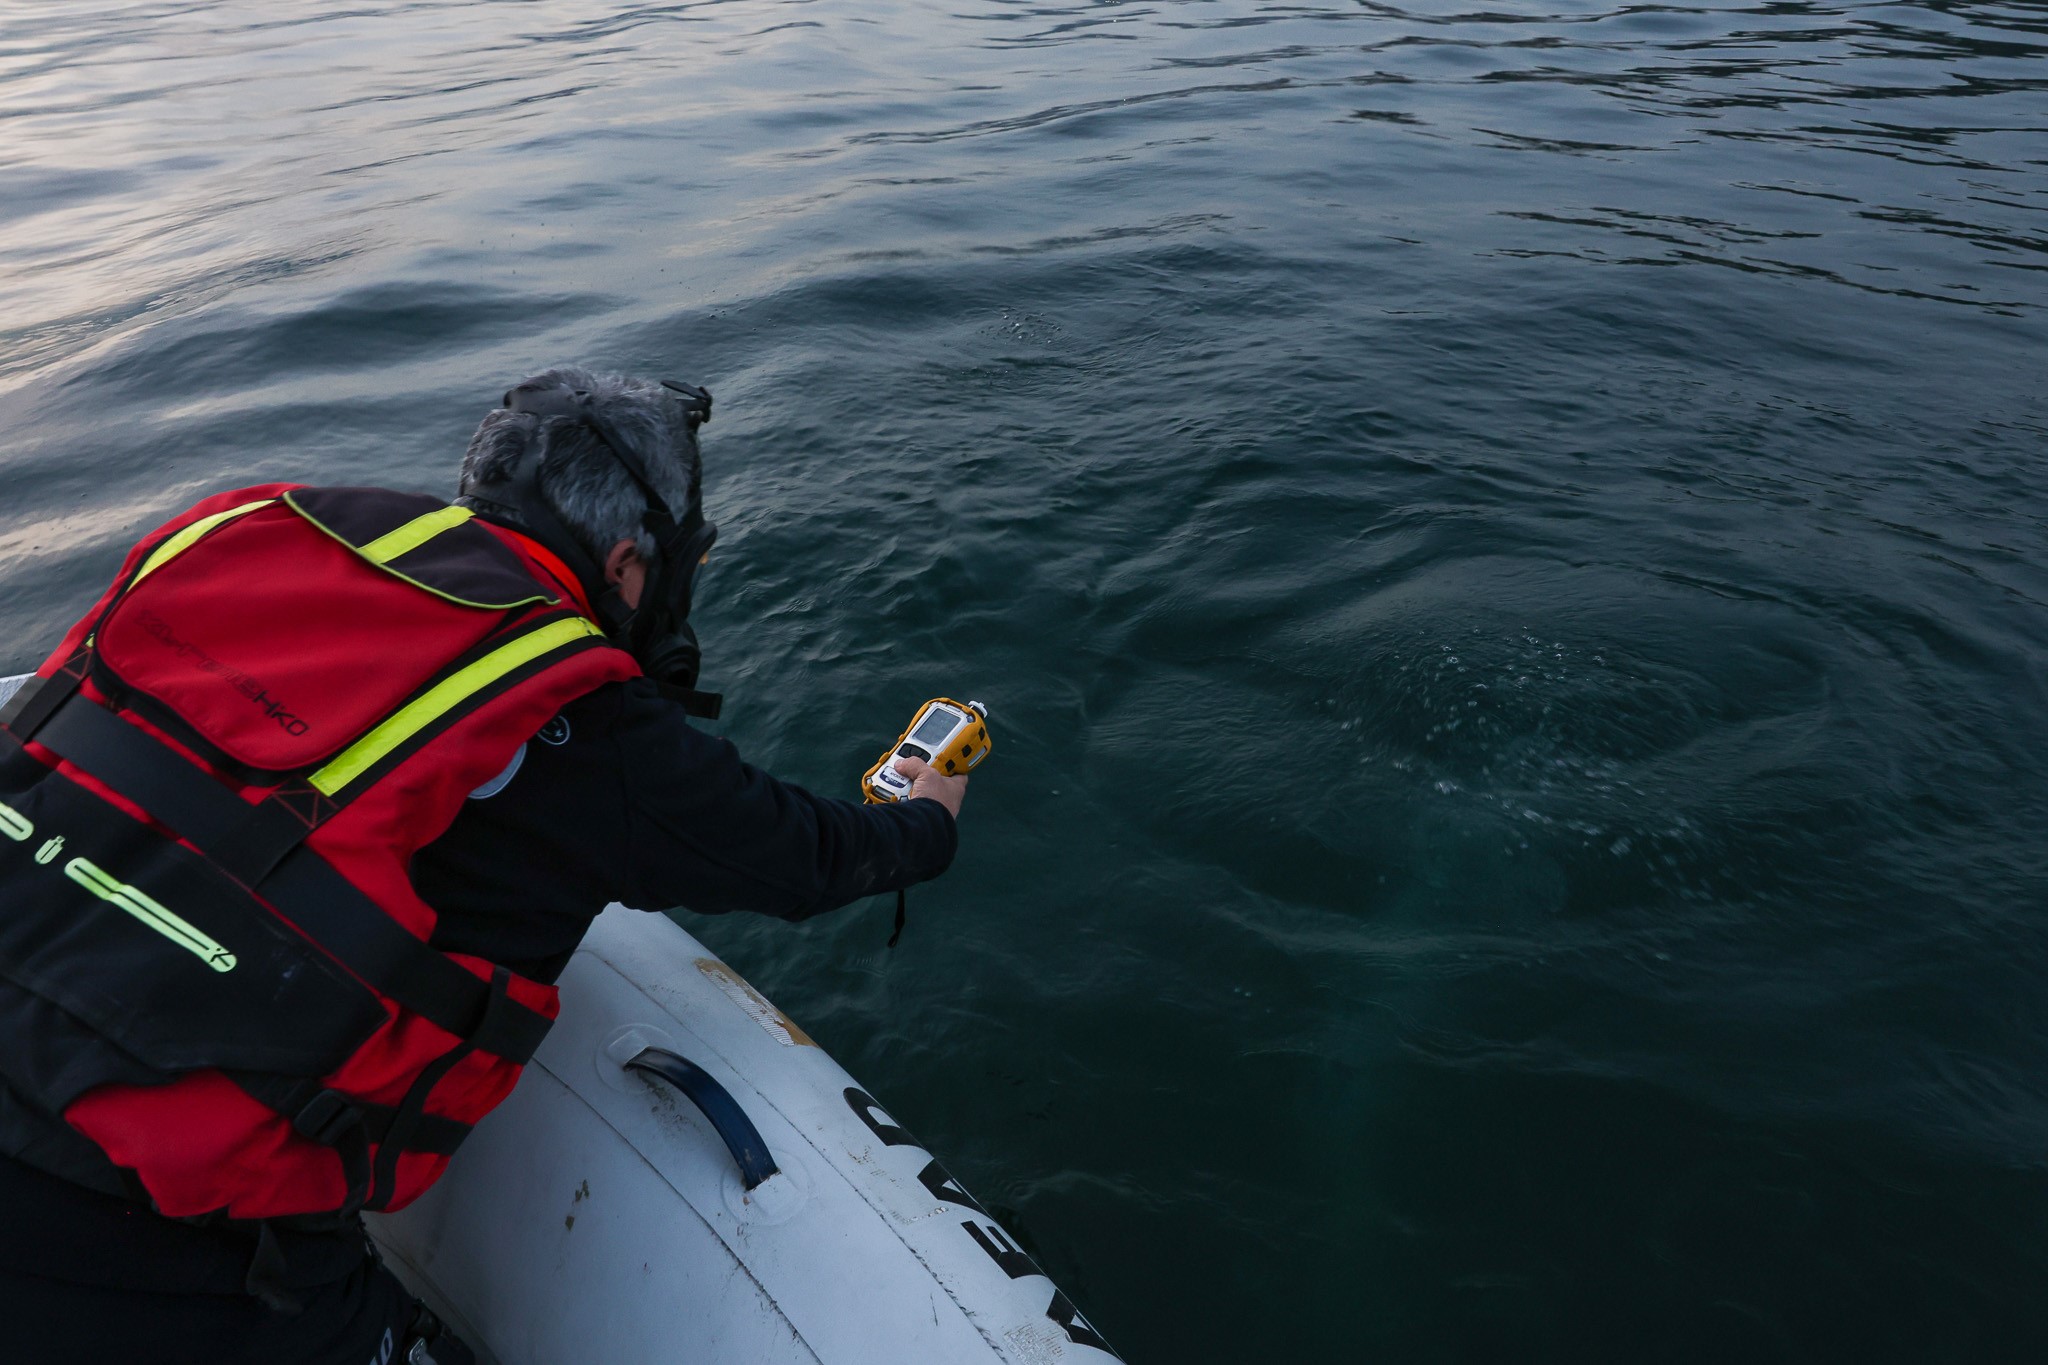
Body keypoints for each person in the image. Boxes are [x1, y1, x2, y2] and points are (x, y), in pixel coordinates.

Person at [0, 366, 967, 1364]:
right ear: (631, 567)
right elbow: (810, 860)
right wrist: (924, 818)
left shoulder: (235, 533)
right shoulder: (590, 725)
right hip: (137, 1237)